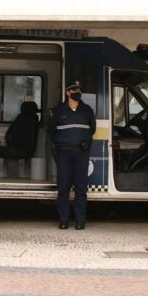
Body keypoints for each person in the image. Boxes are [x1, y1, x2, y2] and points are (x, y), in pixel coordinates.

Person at [48, 80, 96, 231]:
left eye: (79, 90)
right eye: (74, 90)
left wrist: (86, 141)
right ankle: (63, 220)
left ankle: (80, 221)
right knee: (63, 187)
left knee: (81, 188)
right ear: (68, 92)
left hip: (81, 154)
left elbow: (92, 129)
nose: (77, 92)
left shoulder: (87, 110)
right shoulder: (59, 111)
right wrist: (61, 142)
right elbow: (51, 131)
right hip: (64, 153)